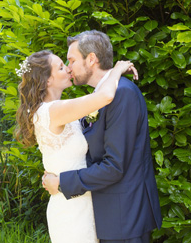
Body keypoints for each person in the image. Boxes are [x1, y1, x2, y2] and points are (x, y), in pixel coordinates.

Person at [42, 30, 163, 243]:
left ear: (91, 59)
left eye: (71, 60)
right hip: (109, 217)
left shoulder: (122, 94)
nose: (68, 68)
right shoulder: (100, 97)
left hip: (126, 219)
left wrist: (62, 182)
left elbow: (114, 166)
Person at [15, 49, 137, 243]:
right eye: (61, 67)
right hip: (71, 209)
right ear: (47, 80)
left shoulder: (57, 109)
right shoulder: (54, 111)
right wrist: (117, 69)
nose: (68, 69)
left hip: (80, 199)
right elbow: (105, 96)